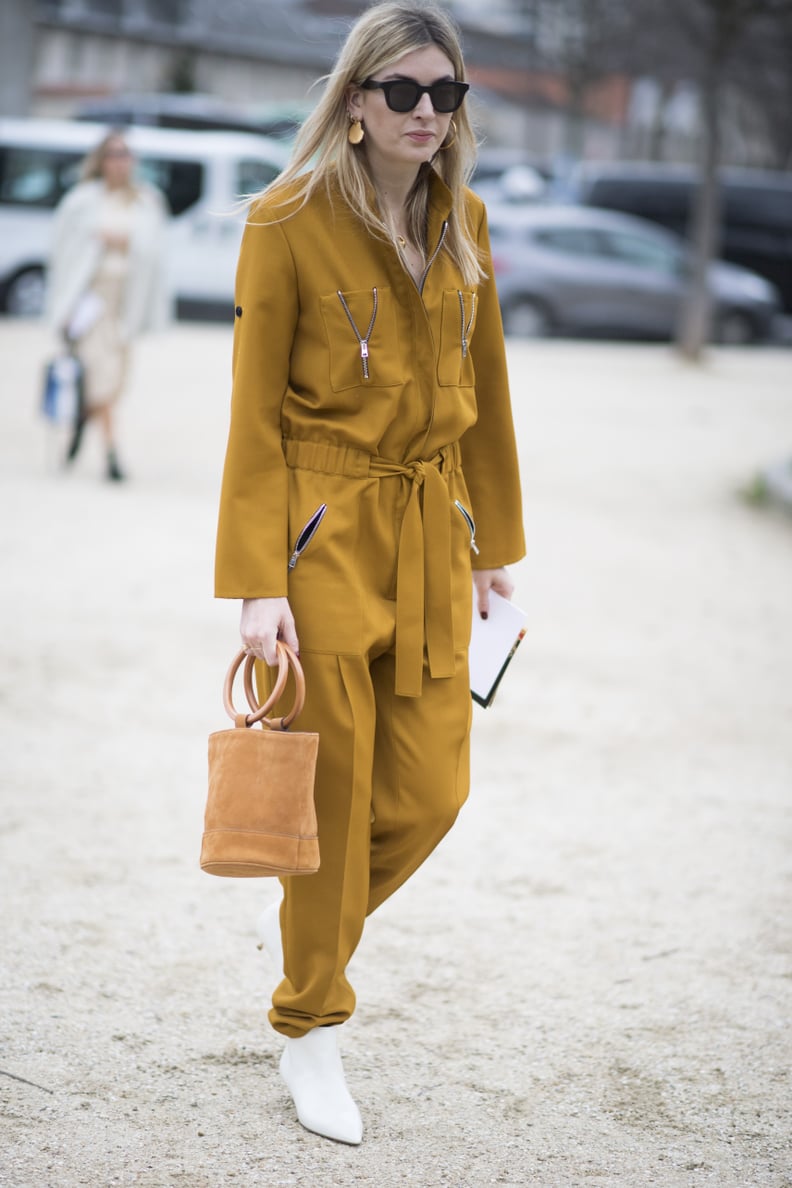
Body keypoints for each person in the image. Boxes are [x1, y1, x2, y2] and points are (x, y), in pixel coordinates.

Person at [215, 0, 525, 1146]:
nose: (428, 115)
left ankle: (310, 917)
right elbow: (252, 422)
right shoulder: (283, 220)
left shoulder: (467, 223)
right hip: (324, 534)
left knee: (434, 791)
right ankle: (311, 1026)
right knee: (334, 804)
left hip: (434, 530)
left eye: (447, 95)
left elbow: (486, 403)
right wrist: (258, 583)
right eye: (404, 92)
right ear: (355, 103)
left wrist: (495, 550)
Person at [47, 130, 168, 481]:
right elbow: (63, 253)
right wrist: (65, 307)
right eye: (113, 153)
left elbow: (157, 251)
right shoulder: (82, 201)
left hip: (125, 303)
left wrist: (124, 240)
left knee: (116, 378)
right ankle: (112, 453)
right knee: (101, 374)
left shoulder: (146, 200)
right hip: (90, 302)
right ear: (101, 159)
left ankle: (81, 422)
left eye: (125, 153)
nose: (120, 160)